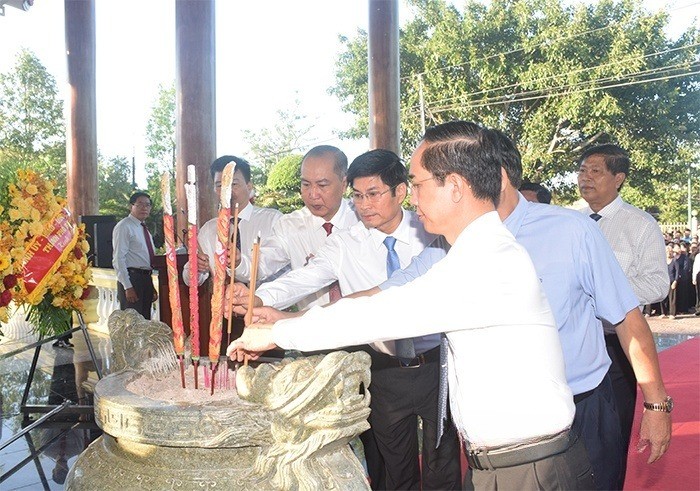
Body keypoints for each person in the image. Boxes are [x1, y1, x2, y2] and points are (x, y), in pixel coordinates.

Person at [229, 125, 597, 490]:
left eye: (418, 185)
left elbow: (385, 312)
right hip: (503, 464)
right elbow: (382, 296)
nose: (413, 198)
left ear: (454, 187)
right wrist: (278, 313)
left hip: (530, 472)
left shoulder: (487, 264)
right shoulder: (469, 254)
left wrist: (278, 332)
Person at [344, 122, 670, 490]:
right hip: (506, 433)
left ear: (493, 177)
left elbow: (627, 318)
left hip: (583, 407)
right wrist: (287, 319)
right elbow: (388, 293)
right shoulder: (450, 244)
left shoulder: (571, 230)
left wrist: (656, 405)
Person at [231, 149, 461, 490]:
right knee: (395, 466)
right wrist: (263, 298)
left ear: (400, 191)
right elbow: (304, 278)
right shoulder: (345, 244)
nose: (364, 205)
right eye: (358, 196)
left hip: (435, 366)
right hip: (383, 368)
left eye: (373, 194)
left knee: (443, 464)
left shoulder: (431, 233)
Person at [577, 143, 669, 486]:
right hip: (572, 343)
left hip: (617, 346)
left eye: (595, 171)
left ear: (619, 178)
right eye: (583, 170)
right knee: (570, 434)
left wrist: (609, 291)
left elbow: (658, 283)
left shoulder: (640, 225)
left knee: (608, 440)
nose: (586, 178)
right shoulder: (570, 221)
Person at [262, 145, 359, 310]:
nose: (313, 194)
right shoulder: (290, 226)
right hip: (309, 329)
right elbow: (263, 260)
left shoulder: (364, 220)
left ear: (344, 184)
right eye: (306, 185)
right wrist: (238, 263)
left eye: (322, 185)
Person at [183, 156, 286, 288]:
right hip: (224, 305)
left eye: (233, 184)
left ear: (249, 186)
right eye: (220, 185)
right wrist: (196, 267)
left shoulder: (273, 220)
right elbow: (192, 281)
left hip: (266, 304)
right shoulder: (209, 229)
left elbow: (280, 265)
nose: (227, 191)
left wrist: (239, 263)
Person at [112, 191, 158, 319]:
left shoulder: (143, 228)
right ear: (130, 206)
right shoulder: (124, 226)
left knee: (144, 323)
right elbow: (118, 259)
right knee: (132, 325)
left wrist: (151, 285)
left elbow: (144, 260)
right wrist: (128, 287)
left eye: (148, 205)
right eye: (140, 204)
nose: (144, 208)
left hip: (145, 279)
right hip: (132, 279)